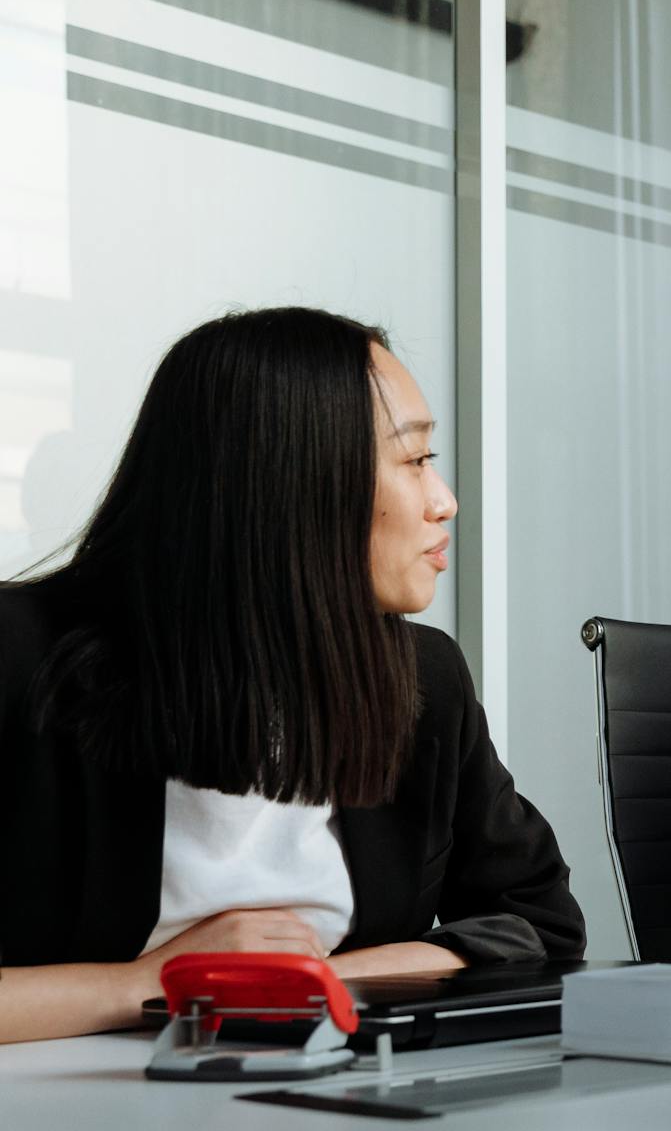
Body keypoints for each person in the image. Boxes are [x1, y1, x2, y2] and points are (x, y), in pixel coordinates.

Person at [0, 307, 586, 1045]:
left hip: (344, 1116)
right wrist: (151, 982)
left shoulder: (421, 680)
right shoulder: (23, 662)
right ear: (294, 479)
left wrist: (324, 980)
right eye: (413, 460)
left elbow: (541, 925)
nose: (444, 501)